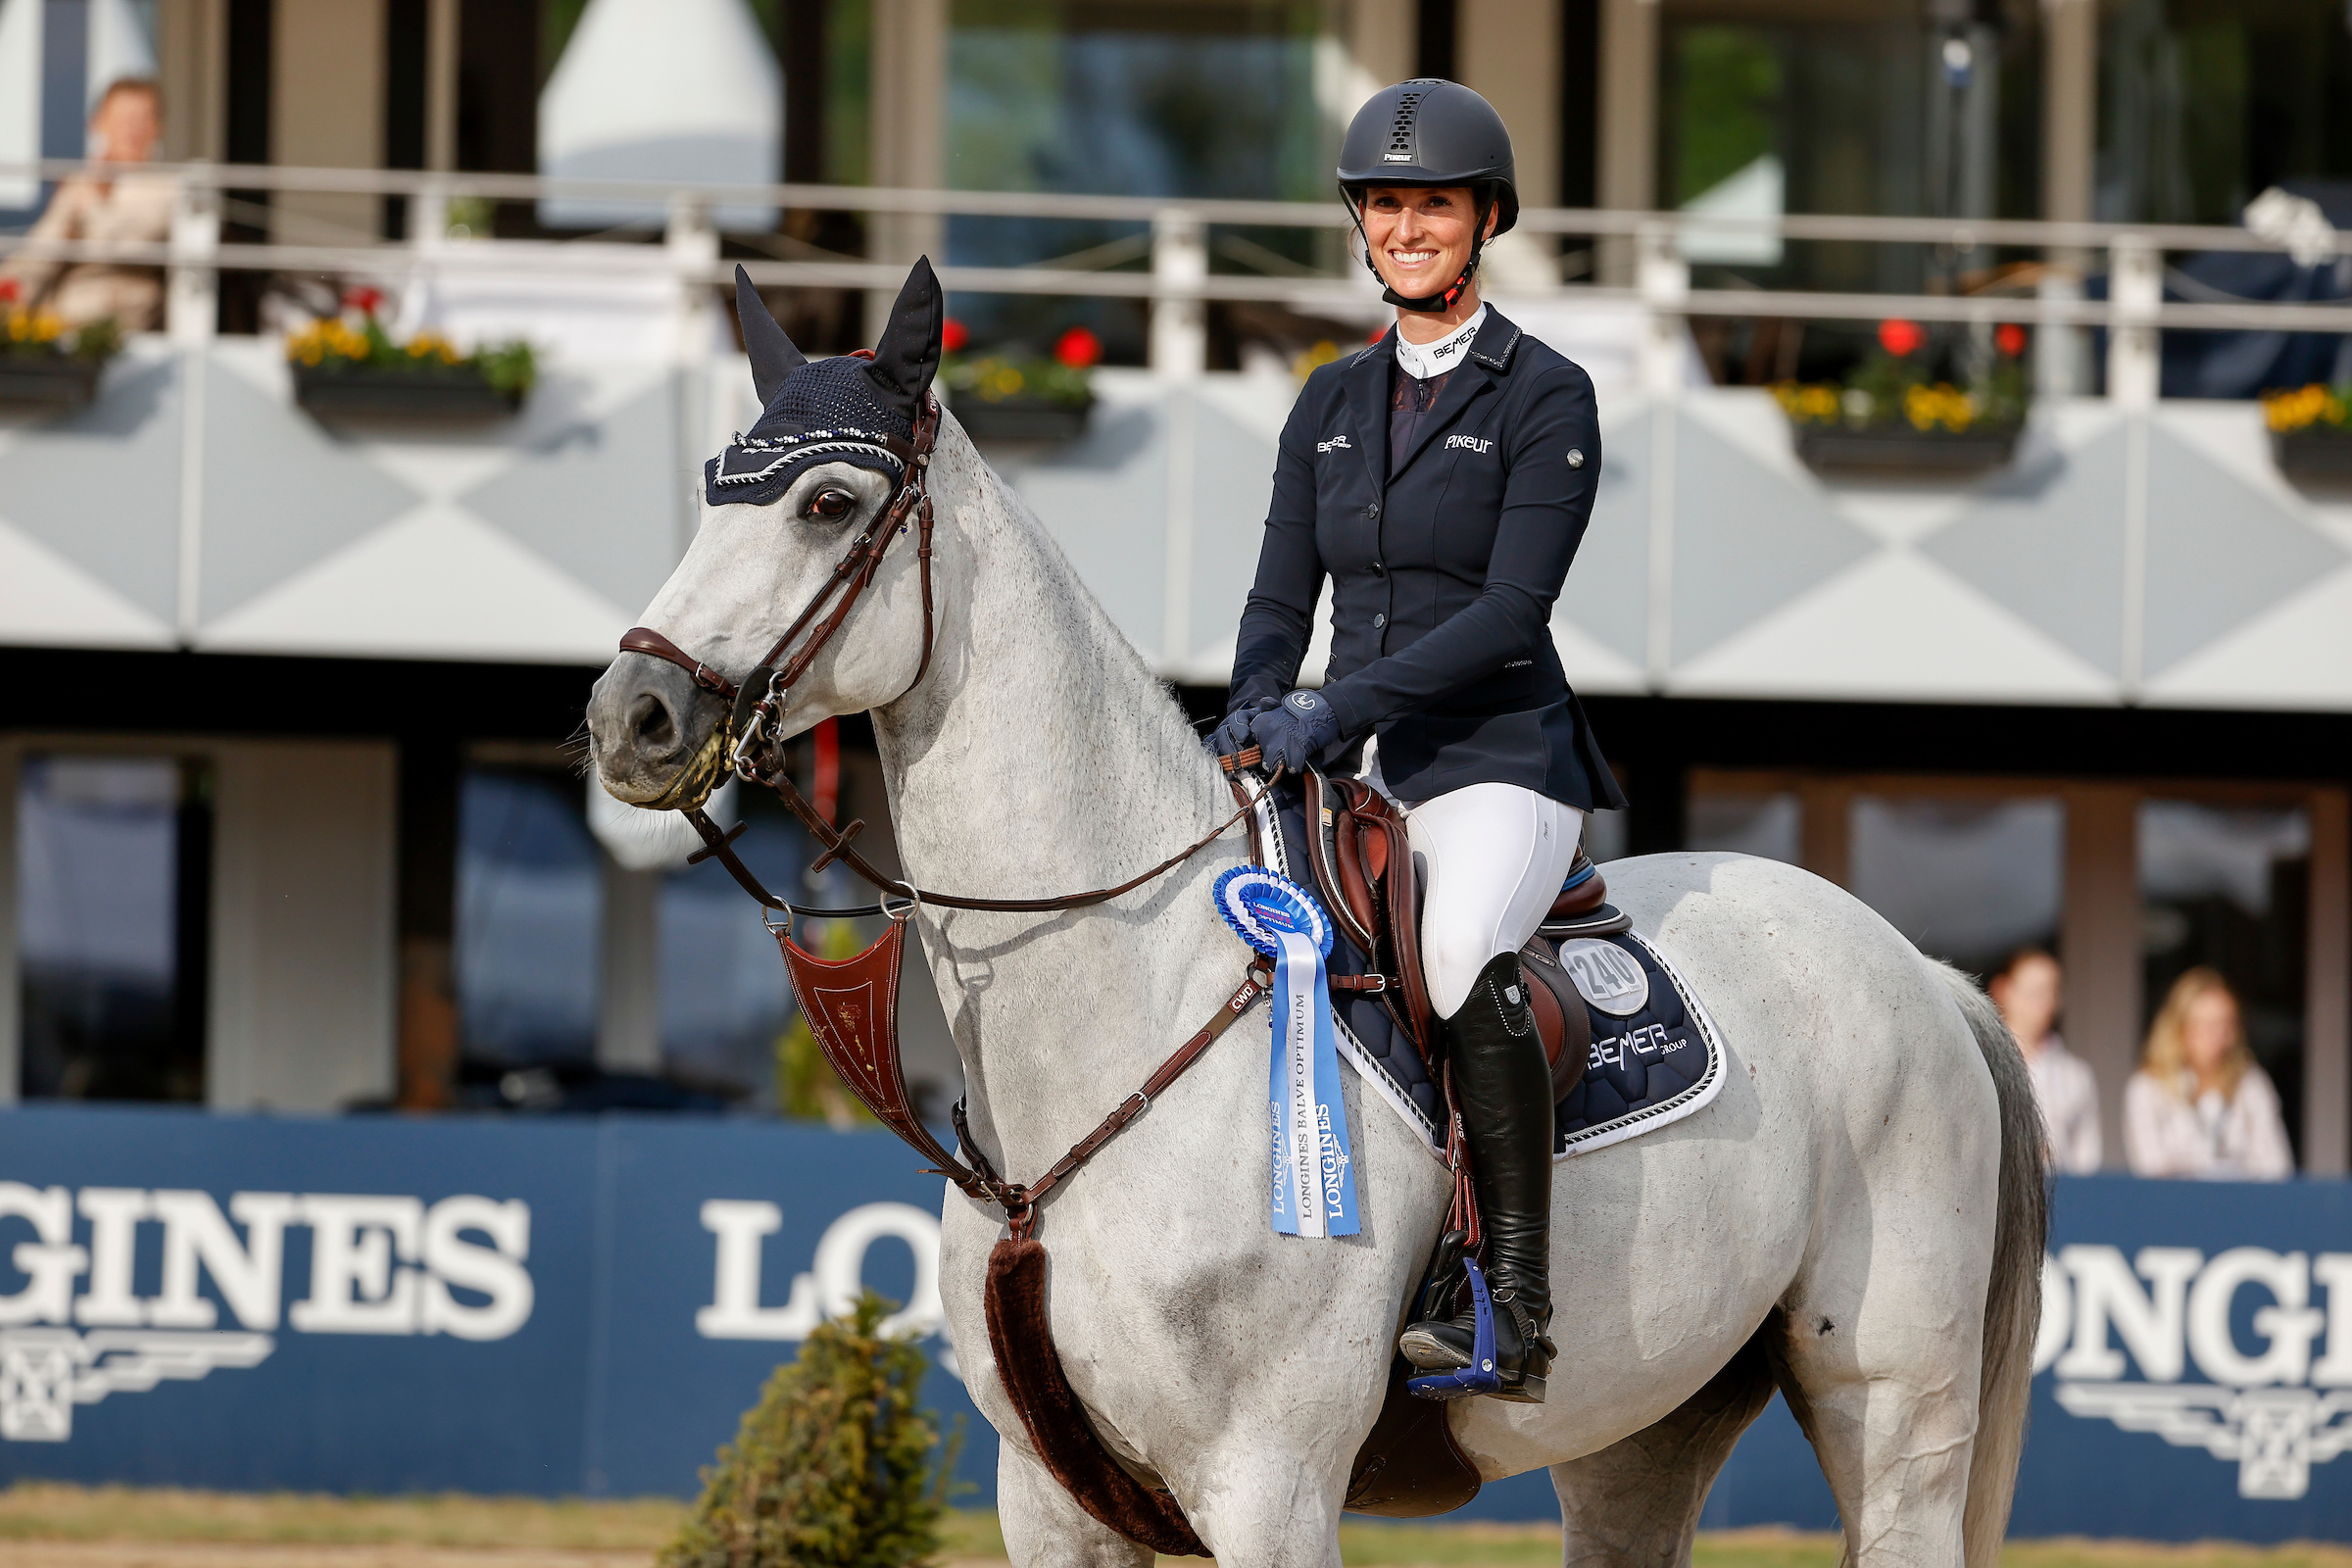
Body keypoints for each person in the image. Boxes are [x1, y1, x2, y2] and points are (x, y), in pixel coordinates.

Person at [1209, 79, 1625, 1403]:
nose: (1406, 226)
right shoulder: (1327, 398)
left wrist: (1335, 710)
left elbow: (1512, 614)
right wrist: (1256, 708)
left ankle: (1510, 1299)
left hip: (1498, 759)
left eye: (1432, 204)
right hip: (1356, 761)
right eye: (1385, 204)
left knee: (1450, 955)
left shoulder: (1546, 396)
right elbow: (1281, 598)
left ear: (1484, 220)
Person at [1, 78, 175, 332]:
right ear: (98, 123)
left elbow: (131, 243)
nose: (132, 128)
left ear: (157, 127)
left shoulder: (167, 189)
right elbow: (39, 252)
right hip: (62, 316)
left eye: (143, 118)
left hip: (123, 319)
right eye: (122, 118)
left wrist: (95, 205)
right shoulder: (79, 183)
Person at [2125, 967, 2295, 1180]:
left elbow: (2277, 1168)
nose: (2216, 1037)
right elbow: (2149, 1168)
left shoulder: (2251, 1084)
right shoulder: (2147, 1087)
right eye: (2204, 1025)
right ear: (2178, 1027)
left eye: (2225, 1024)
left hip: (2241, 1208)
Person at [1987, 949, 2101, 1173]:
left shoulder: (2075, 1074)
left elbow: (2088, 1160)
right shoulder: (1984, 1063)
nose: (2045, 1003)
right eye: (2035, 993)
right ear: (2002, 990)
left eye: (2052, 992)